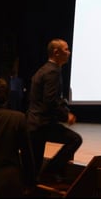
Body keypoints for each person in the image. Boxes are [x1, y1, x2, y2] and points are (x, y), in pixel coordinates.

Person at [27, 38, 82, 184]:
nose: (69, 52)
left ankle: (42, 180)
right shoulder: (53, 71)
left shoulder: (43, 70)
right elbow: (50, 101)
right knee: (75, 140)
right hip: (43, 125)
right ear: (56, 52)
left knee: (34, 172)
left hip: (34, 124)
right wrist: (66, 116)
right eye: (66, 49)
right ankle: (50, 171)